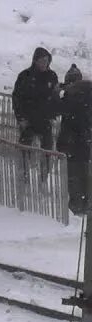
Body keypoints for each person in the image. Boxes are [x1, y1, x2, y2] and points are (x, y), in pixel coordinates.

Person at [57, 64, 92, 214]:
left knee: (74, 177)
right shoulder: (87, 94)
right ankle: (86, 205)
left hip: (72, 143)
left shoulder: (70, 97)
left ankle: (77, 206)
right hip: (85, 142)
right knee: (85, 175)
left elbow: (57, 111)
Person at [13, 47, 61, 150]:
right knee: (25, 149)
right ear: (35, 60)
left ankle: (46, 166)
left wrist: (54, 115)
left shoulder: (51, 76)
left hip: (45, 120)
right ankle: (24, 165)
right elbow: (17, 98)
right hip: (28, 119)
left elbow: (55, 97)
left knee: (47, 150)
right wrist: (21, 118)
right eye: (42, 60)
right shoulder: (25, 76)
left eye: (47, 61)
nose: (45, 63)